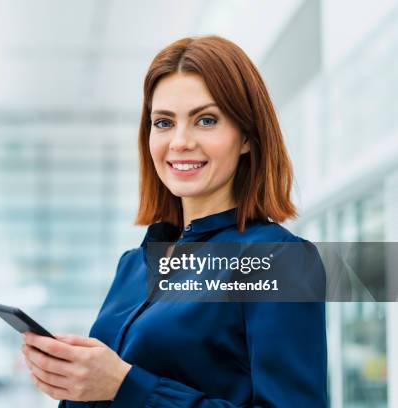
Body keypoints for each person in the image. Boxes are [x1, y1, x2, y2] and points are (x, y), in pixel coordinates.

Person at [21, 36, 327, 407]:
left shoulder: (279, 260)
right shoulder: (134, 265)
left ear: (247, 136)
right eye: (164, 123)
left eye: (206, 120)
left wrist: (126, 386)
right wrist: (74, 384)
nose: (180, 141)